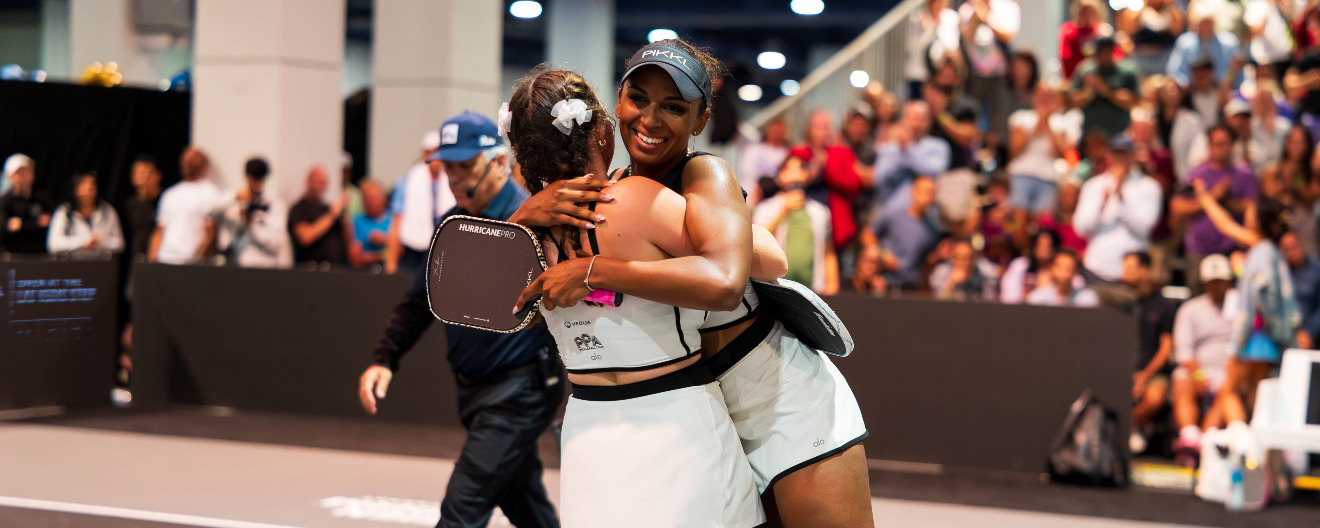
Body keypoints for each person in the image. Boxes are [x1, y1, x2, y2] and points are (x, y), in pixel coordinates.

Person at [510, 40, 872, 527]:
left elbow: (764, 261)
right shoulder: (611, 191)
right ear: (615, 108)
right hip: (705, 408)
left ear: (701, 120)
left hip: (781, 398)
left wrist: (595, 269)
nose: (650, 119)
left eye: (674, 107)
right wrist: (524, 214)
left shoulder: (705, 175)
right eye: (638, 99)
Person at [504, 66, 765, 528]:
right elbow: (750, 267)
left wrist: (523, 220)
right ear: (603, 133)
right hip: (676, 423)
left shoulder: (519, 236)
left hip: (586, 431)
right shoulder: (634, 200)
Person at [358, 111, 563, 528]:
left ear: (500, 162)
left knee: (461, 511)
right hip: (473, 389)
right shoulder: (450, 224)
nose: (455, 179)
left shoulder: (536, 219)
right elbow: (420, 301)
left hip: (521, 390)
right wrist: (384, 359)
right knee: (524, 503)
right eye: (448, 168)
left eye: (465, 167)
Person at [1192, 181, 1309, 430]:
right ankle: (1255, 450)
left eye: (1251, 210)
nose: (1246, 211)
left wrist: (1242, 270)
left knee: (1230, 391)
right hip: (1267, 338)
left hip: (1252, 335)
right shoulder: (1267, 248)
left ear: (1259, 219)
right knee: (1257, 396)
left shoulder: (1261, 252)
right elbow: (1225, 225)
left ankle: (1240, 441)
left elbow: (1261, 291)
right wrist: (1205, 198)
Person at [1171, 124, 1260, 288]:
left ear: (1233, 145)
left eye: (1224, 143)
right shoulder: (1196, 174)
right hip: (1199, 250)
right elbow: (1177, 206)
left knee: (1235, 296)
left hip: (1234, 251)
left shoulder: (1246, 175)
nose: (1220, 148)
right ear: (1208, 146)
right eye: (1216, 143)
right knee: (1197, 297)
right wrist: (1214, 196)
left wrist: (1225, 200)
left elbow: (1251, 208)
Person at [1170, 254, 1239, 460]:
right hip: (1197, 369)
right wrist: (1199, 375)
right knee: (1181, 379)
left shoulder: (1240, 308)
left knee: (1229, 390)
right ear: (1204, 283)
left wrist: (1232, 373)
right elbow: (1183, 350)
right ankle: (1190, 436)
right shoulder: (1191, 309)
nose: (1217, 287)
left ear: (1229, 281)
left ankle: (1207, 442)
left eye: (1221, 281)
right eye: (1212, 282)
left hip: (1230, 369)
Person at [1073, 136, 1163, 282]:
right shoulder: (1093, 185)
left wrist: (1121, 198)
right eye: (1116, 154)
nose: (1120, 159)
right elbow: (1081, 228)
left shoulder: (1149, 187)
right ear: (1108, 155)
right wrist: (1101, 205)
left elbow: (1144, 228)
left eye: (1124, 154)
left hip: (1132, 273)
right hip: (1096, 268)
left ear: (1133, 156)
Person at [753, 154, 839, 295]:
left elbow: (828, 251)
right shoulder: (765, 208)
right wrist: (783, 212)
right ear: (779, 177)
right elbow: (758, 245)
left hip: (813, 291)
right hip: (775, 287)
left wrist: (832, 284)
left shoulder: (821, 212)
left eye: (799, 169)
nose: (794, 174)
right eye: (788, 169)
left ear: (807, 175)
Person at [1121, 251, 1180, 454]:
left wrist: (1144, 377)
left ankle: (1125, 430)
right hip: (1122, 370)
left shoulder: (1163, 305)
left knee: (1155, 397)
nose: (1124, 274)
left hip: (1152, 372)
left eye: (1130, 268)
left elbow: (1166, 348)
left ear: (1144, 271)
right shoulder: (1120, 303)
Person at [1007, 80, 1078, 235]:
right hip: (1021, 175)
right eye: (1041, 95)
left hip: (1048, 178)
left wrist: (1048, 122)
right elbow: (1014, 150)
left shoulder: (1061, 122)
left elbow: (1060, 153)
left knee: (1042, 226)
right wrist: (1039, 120)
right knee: (1017, 222)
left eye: (1048, 95)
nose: (1044, 99)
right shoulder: (1020, 117)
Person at [790, 110, 864, 253]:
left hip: (836, 228)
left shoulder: (842, 152)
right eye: (818, 127)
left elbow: (854, 185)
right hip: (803, 223)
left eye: (826, 127)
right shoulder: (799, 152)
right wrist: (812, 170)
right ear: (808, 129)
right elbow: (789, 182)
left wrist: (827, 167)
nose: (823, 131)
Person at [387, 130, 455, 273]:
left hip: (443, 250)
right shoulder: (407, 182)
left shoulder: (454, 181)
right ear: (424, 154)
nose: (436, 157)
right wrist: (391, 262)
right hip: (413, 251)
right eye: (431, 152)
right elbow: (397, 222)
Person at [857, 175, 940, 292]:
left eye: (930, 192)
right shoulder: (894, 216)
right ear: (913, 192)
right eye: (923, 191)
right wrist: (884, 255)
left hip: (911, 288)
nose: (926, 196)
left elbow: (926, 266)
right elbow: (867, 235)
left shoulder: (932, 231)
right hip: (884, 282)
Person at [872, 100, 950, 214]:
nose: (915, 124)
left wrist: (908, 149)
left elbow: (933, 171)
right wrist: (899, 151)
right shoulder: (891, 148)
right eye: (911, 117)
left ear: (929, 121)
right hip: (890, 212)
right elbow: (879, 178)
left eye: (920, 118)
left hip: (924, 216)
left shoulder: (939, 146)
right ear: (903, 119)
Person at [149, 146, 223, 265]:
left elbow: (211, 233)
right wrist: (151, 261)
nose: (188, 161)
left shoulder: (211, 193)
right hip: (164, 260)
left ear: (204, 165)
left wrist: (198, 261)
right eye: (186, 158)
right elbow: (160, 230)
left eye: (193, 158)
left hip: (190, 263)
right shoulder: (170, 194)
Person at [214, 157, 292, 268]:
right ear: (247, 177)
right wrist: (234, 196)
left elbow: (276, 244)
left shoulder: (273, 205)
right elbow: (207, 210)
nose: (258, 183)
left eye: (261, 179)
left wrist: (254, 222)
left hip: (265, 266)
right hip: (237, 266)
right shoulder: (236, 202)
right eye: (254, 178)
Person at [1067, 36, 1142, 138]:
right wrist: (1089, 92)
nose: (1100, 55)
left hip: (1120, 135)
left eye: (1104, 51)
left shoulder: (1126, 71)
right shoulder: (1085, 70)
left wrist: (1107, 91)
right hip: (1090, 137)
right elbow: (1071, 100)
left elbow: (1134, 101)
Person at [47, 172, 124, 255]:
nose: (87, 192)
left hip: (100, 262)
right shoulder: (65, 211)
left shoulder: (107, 210)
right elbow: (53, 244)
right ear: (76, 190)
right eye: (83, 187)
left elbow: (119, 243)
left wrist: (98, 242)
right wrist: (83, 241)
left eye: (91, 187)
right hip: (71, 263)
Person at [1167, 7, 1243, 88]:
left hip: (1222, 92)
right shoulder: (1185, 43)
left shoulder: (1229, 43)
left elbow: (1238, 73)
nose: (1206, 26)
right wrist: (1189, 86)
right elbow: (1173, 71)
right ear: (1195, 23)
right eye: (1203, 22)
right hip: (1191, 92)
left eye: (1209, 22)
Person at [288, 166, 349, 267]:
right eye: (316, 181)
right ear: (308, 182)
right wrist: (332, 215)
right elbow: (305, 237)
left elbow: (346, 239)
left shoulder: (328, 208)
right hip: (311, 271)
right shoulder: (299, 209)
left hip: (336, 270)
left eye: (322, 182)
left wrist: (345, 213)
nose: (319, 186)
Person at [905, 0, 961, 99]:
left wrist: (936, 24)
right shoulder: (917, 17)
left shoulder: (951, 18)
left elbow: (952, 45)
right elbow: (912, 48)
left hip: (941, 74)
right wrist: (929, 29)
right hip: (919, 73)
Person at [0, 153, 53, 254]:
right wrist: (35, 223)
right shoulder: (4, 201)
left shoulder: (43, 198)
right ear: (10, 176)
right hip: (12, 254)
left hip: (40, 254)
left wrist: (21, 224)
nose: (22, 177)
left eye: (26, 172)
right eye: (18, 173)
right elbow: (4, 229)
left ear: (32, 174)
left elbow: (48, 226)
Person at [1117, 0, 1185, 77]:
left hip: (1164, 58)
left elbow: (1178, 29)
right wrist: (1144, 5)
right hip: (1142, 59)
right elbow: (1129, 28)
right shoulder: (1139, 11)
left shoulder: (1170, 11)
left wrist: (1170, 6)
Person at [1058, 0, 1118, 80]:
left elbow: (1114, 55)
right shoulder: (1069, 30)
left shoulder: (1103, 31)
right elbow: (1066, 57)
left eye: (1091, 12)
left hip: (1102, 78)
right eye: (1084, 11)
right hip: (1077, 77)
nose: (1087, 15)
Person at [1279, 231, 1320, 346]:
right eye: (1286, 250)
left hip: (1311, 336)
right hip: (1284, 336)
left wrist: (1310, 332)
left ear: (1302, 245)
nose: (1291, 253)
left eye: (1294, 247)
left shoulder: (1316, 271)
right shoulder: (1281, 273)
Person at [738, 117, 790, 205]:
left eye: (780, 131)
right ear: (767, 130)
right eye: (774, 129)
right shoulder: (753, 149)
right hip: (749, 192)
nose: (776, 133)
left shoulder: (786, 153)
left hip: (773, 196)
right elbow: (746, 171)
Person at [928, 237, 998, 300]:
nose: (963, 262)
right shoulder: (941, 272)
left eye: (968, 258)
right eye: (958, 257)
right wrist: (951, 284)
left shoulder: (983, 274)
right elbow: (937, 303)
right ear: (952, 257)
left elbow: (989, 301)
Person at [122, 155, 162, 262]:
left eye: (148, 174)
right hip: (138, 260)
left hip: (161, 260)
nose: (144, 178)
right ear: (133, 177)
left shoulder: (166, 201)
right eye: (140, 173)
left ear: (158, 175)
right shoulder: (131, 204)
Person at [1025, 250, 1100, 307]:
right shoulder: (1037, 299)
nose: (1063, 273)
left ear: (1075, 271)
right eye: (1060, 268)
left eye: (1068, 269)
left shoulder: (1087, 298)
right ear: (1052, 268)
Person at [348, 180, 392, 270]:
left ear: (382, 199)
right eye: (366, 198)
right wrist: (382, 255)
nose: (369, 202)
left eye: (373, 198)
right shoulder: (356, 221)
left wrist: (384, 240)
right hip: (364, 275)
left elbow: (402, 251)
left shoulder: (394, 221)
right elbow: (355, 258)